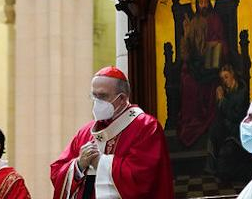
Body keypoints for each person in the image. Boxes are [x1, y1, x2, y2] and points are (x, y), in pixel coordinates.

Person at [50, 66, 173, 199]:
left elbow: (143, 177)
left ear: (122, 98)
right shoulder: (85, 132)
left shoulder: (145, 127)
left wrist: (100, 163)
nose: (97, 102)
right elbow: (57, 171)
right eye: (94, 96)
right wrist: (79, 165)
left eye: (102, 96)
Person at [178, 0, 226, 147]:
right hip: (197, 62)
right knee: (188, 81)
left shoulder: (215, 19)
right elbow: (187, 48)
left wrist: (212, 48)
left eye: (205, 2)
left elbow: (221, 41)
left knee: (210, 81)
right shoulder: (194, 22)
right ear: (197, 5)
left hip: (213, 61)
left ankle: (208, 120)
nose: (203, 5)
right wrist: (186, 33)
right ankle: (193, 120)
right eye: (200, 2)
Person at [207, 65, 252, 181]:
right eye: (222, 78)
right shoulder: (226, 91)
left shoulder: (241, 92)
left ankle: (217, 171)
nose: (225, 81)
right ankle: (211, 169)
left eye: (226, 77)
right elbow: (220, 113)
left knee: (222, 142)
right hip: (227, 126)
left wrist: (222, 100)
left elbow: (235, 116)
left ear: (232, 75)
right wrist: (219, 99)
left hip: (238, 128)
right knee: (213, 132)